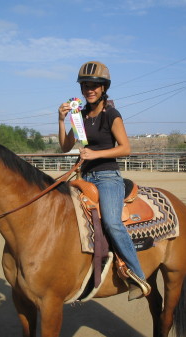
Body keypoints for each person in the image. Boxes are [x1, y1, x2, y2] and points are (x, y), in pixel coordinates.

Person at [58, 61, 150, 301]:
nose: (90, 89)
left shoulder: (111, 114)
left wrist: (95, 154)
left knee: (111, 222)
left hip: (108, 176)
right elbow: (65, 146)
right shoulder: (79, 115)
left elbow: (126, 148)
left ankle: (138, 276)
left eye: (95, 85)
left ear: (104, 87)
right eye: (85, 85)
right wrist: (61, 120)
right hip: (84, 177)